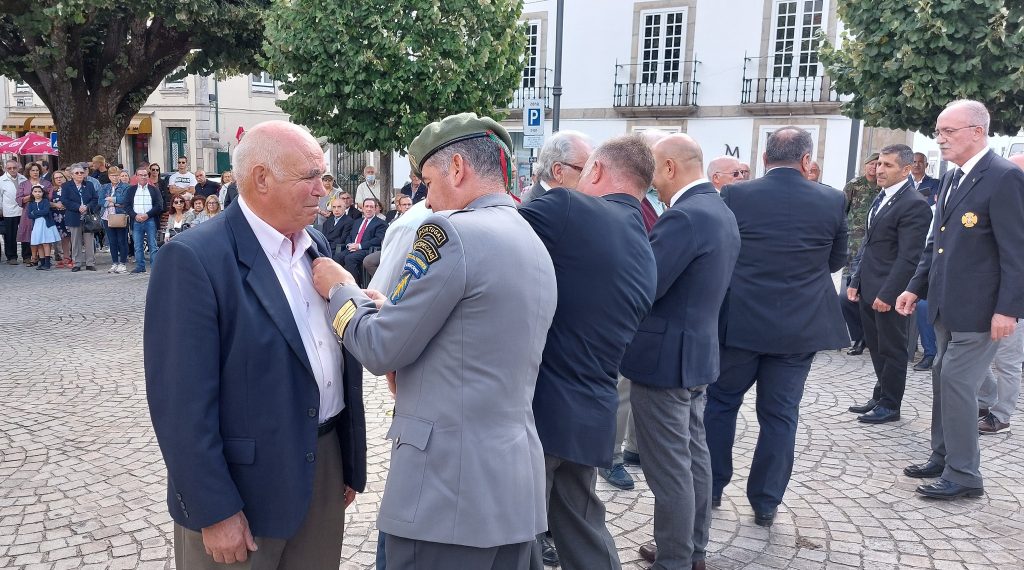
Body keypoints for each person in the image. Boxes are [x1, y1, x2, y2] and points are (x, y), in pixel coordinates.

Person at [313, 112, 555, 569]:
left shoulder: (450, 233)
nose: (427, 197)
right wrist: (394, 312)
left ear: (458, 168)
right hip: (511, 488)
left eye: (427, 181)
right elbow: (474, 337)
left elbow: (382, 349)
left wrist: (340, 288)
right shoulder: (527, 235)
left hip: (446, 494)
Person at [146, 120, 366, 569]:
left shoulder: (315, 246)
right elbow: (180, 405)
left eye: (323, 177)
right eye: (309, 177)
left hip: (321, 466)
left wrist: (345, 460)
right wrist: (214, 510)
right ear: (261, 178)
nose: (322, 190)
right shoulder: (195, 259)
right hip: (243, 490)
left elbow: (330, 359)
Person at [519, 134, 657, 570]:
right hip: (591, 414)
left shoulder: (568, 208)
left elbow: (490, 233)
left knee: (515, 536)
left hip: (541, 414)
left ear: (595, 171)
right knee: (582, 530)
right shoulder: (645, 246)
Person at [705, 126, 850, 527]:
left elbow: (724, 250)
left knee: (720, 405)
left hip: (741, 322)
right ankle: (766, 502)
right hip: (799, 326)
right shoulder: (833, 199)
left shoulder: (735, 194)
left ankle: (712, 487)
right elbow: (836, 259)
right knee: (781, 414)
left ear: (765, 159)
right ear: (807, 160)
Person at [620, 134, 740, 569]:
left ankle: (675, 558)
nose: (651, 180)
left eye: (653, 170)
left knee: (669, 468)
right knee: (693, 458)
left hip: (665, 360)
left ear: (669, 168)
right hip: (695, 354)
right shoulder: (718, 209)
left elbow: (644, 286)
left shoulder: (684, 217)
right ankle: (692, 548)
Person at [896, 99, 1024, 499]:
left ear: (977, 132)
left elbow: (1016, 250)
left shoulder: (1003, 177)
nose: (940, 138)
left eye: (949, 131)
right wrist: (914, 286)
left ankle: (966, 475)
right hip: (944, 304)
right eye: (939, 130)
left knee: (956, 380)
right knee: (941, 378)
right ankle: (944, 455)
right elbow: (937, 244)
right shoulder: (951, 177)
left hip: (981, 310)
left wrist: (1009, 309)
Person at [845, 144, 932, 424]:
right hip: (869, 286)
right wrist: (856, 280)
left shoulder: (914, 204)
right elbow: (869, 246)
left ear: (906, 170)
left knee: (893, 348)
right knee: (875, 345)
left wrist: (889, 293)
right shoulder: (882, 197)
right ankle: (880, 394)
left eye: (888, 165)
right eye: (879, 164)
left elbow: (910, 257)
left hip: (890, 292)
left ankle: (891, 405)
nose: (879, 170)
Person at [842, 153, 880, 355]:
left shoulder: (882, 188)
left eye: (877, 164)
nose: (874, 168)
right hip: (853, 246)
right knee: (847, 296)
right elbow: (842, 213)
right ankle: (858, 336)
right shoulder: (854, 185)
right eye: (871, 164)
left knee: (868, 296)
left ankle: (869, 337)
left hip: (874, 249)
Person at [521, 131, 593, 203]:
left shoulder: (570, 203)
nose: (591, 179)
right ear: (558, 171)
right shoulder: (527, 210)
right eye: (585, 171)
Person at [335, 197, 385, 276]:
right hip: (352, 248)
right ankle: (341, 283)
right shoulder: (357, 222)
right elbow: (350, 236)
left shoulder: (380, 223)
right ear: (363, 208)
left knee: (350, 258)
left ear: (375, 209)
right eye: (366, 206)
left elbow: (378, 240)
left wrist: (359, 246)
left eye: (371, 207)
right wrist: (349, 245)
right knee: (337, 257)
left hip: (367, 250)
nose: (368, 209)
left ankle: (355, 286)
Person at [62, 165, 99, 272]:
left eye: (81, 173)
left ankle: (90, 263)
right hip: (74, 215)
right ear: (72, 175)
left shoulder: (89, 185)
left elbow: (95, 199)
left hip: (88, 216)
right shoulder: (66, 186)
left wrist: (87, 207)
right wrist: (78, 207)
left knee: (89, 241)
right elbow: (65, 200)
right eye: (77, 173)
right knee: (75, 241)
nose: (79, 175)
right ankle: (77, 263)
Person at [127, 166, 163, 273]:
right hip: (136, 221)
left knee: (153, 244)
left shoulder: (154, 190)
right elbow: (127, 205)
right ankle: (140, 266)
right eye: (141, 175)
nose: (143, 177)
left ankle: (155, 267)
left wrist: (148, 215)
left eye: (145, 175)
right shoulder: (131, 190)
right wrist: (135, 215)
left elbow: (159, 205)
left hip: (150, 220)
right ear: (136, 177)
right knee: (137, 245)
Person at [17, 162, 52, 266]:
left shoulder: (46, 183)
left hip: (43, 213)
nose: (35, 172)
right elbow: (19, 199)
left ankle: (44, 259)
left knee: (43, 236)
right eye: (33, 170)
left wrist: (40, 193)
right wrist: (32, 195)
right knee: (31, 235)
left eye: (37, 170)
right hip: (29, 212)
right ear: (28, 172)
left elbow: (49, 197)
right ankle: (34, 257)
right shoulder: (23, 184)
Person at [103, 170, 131, 274]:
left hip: (120, 215)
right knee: (112, 241)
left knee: (121, 240)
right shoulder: (105, 187)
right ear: (109, 176)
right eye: (112, 175)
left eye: (116, 175)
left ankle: (122, 263)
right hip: (107, 216)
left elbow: (124, 199)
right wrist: (111, 203)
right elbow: (100, 200)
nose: (114, 177)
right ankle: (114, 262)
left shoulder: (125, 187)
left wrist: (112, 200)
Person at [26, 184, 59, 270]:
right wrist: (35, 213)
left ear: (42, 193)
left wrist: (35, 212)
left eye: (39, 192)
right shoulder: (31, 204)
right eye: (35, 192)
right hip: (37, 225)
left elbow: (46, 211)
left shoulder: (45, 201)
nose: (37, 193)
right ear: (32, 193)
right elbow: (29, 215)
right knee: (39, 243)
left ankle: (47, 263)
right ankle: (42, 262)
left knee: (46, 243)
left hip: (46, 224)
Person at [1, 159, 27, 264]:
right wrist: (1, 209)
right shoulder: (1, 181)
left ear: (18, 167)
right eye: (9, 168)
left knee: (25, 233)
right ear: (5, 168)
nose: (12, 170)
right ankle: (11, 257)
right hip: (9, 210)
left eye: (14, 167)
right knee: (10, 234)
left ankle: (27, 255)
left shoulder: (23, 178)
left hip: (23, 210)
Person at [49, 171, 72, 268]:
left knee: (72, 236)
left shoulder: (70, 187)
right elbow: (46, 201)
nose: (58, 179)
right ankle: (65, 257)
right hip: (57, 216)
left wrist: (66, 205)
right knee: (63, 237)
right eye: (56, 178)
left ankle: (74, 257)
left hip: (69, 214)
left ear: (64, 177)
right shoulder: (51, 190)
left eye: (60, 177)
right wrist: (55, 204)